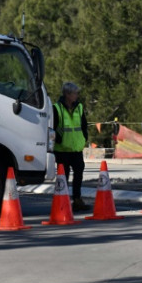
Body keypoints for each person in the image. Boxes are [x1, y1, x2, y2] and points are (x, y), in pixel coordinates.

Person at [53, 82, 90, 211]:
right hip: (62, 149)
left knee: (79, 173)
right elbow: (52, 128)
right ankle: (61, 201)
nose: (77, 95)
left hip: (76, 148)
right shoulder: (56, 108)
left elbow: (84, 125)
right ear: (67, 94)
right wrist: (57, 140)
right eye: (75, 93)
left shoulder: (79, 107)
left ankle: (77, 200)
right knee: (63, 177)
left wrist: (84, 138)